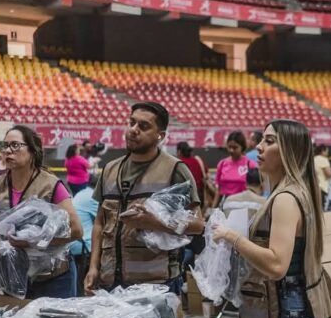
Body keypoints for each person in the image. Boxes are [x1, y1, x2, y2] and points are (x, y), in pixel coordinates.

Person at [212, 120, 331, 318]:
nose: (259, 146)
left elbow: (277, 265)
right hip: (289, 306)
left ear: (289, 151)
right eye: (261, 140)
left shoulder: (285, 199)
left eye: (269, 141)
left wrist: (232, 237)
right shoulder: (293, 192)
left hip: (285, 310)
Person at [85, 102, 204, 295]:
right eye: (132, 123)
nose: (133, 130)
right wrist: (93, 267)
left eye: (144, 126)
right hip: (109, 281)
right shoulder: (110, 169)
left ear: (161, 136)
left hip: (156, 284)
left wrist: (157, 223)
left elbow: (198, 224)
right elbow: (100, 222)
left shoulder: (175, 169)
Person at [0, 126, 83, 299]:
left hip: (53, 278)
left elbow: (77, 230)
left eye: (15, 145)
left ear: (32, 151)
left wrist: (33, 242)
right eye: (4, 146)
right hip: (12, 275)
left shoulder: (51, 185)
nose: (7, 151)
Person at [215, 131, 257, 200]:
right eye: (229, 147)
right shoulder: (222, 164)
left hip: (243, 202)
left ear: (242, 147)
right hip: (225, 203)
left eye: (235, 147)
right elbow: (218, 190)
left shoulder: (250, 164)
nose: (231, 150)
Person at [176, 141, 208, 207]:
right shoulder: (196, 160)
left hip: (187, 195)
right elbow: (205, 176)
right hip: (199, 194)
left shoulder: (180, 163)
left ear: (179, 151)